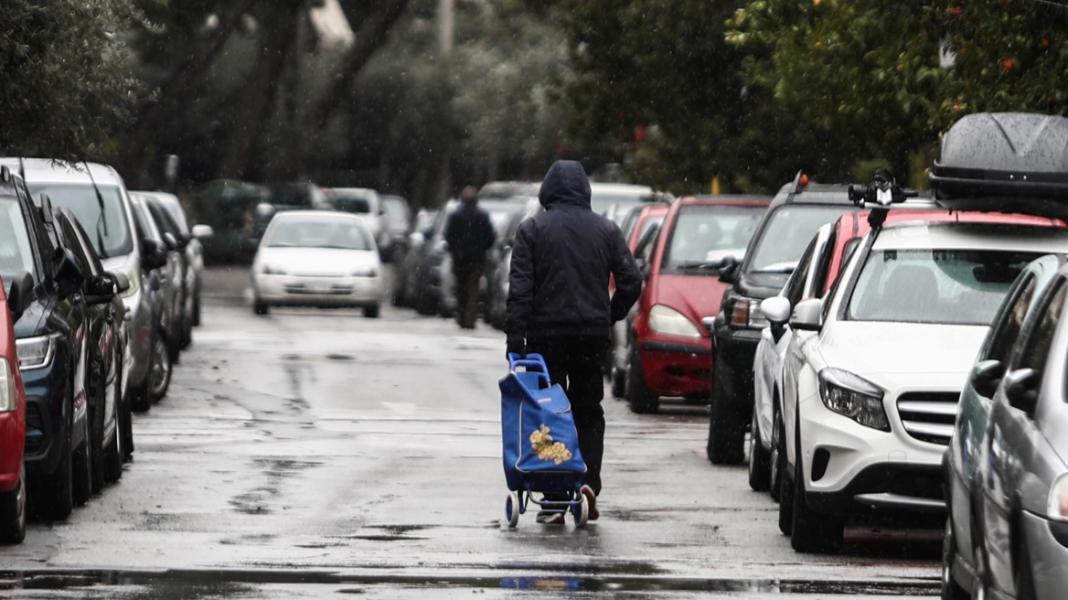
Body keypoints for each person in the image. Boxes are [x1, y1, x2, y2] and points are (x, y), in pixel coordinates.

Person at [505, 160, 642, 524]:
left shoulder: (532, 230)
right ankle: (588, 482)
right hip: (590, 335)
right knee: (587, 408)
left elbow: (520, 290)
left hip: (545, 337)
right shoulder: (607, 230)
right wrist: (610, 313)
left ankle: (552, 493)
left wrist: (515, 339)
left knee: (548, 410)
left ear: (547, 191)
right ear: (585, 191)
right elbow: (632, 280)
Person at [444, 186, 496, 329]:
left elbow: (448, 236)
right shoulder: (482, 216)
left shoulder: (456, 215)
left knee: (461, 287)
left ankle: (462, 316)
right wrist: (482, 248)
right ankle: (470, 317)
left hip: (460, 258)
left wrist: (455, 250)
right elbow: (490, 236)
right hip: (476, 258)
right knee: (473, 288)